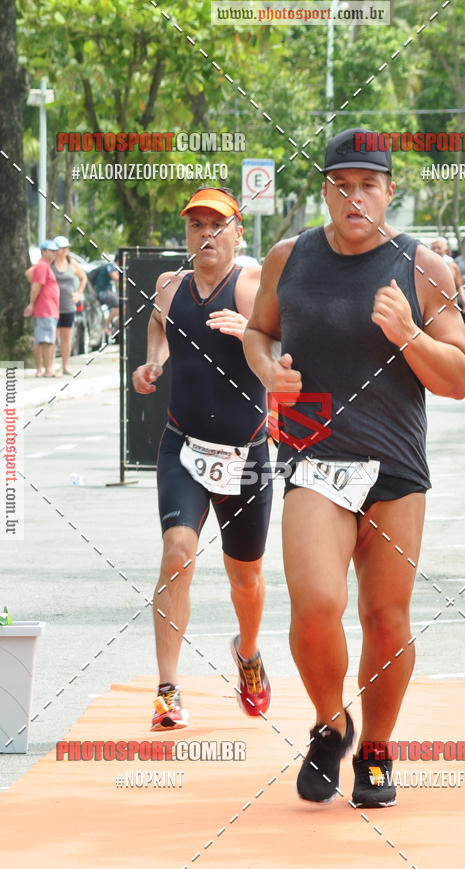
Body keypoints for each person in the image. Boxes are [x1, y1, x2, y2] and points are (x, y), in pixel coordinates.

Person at [243, 128, 465, 807]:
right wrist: (267, 372)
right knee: (316, 607)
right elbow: (260, 332)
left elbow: (459, 377)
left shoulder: (425, 267)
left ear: (389, 191)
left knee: (386, 619)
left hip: (397, 467)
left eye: (368, 183)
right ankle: (329, 722)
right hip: (316, 460)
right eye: (341, 183)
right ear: (325, 191)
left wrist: (408, 333)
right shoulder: (291, 258)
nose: (355, 196)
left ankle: (375, 749)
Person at [132, 187, 273, 731]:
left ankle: (249, 652)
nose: (206, 235)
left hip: (247, 453)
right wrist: (153, 362)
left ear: (238, 231)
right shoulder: (170, 286)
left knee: (246, 579)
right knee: (177, 552)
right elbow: (157, 328)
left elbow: (288, 354)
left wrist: (253, 334)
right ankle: (167, 689)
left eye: (217, 225)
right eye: (196, 226)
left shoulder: (253, 284)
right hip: (183, 446)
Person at [24, 239, 60, 377]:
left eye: (55, 251)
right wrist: (32, 303)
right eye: (51, 251)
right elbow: (36, 286)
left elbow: (28, 274)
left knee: (45, 339)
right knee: (46, 340)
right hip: (45, 309)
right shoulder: (43, 266)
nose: (54, 253)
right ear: (43, 251)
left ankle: (44, 369)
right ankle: (46, 369)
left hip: (49, 309)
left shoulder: (42, 266)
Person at [52, 236, 87, 375]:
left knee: (66, 338)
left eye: (66, 248)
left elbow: (83, 277)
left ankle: (65, 366)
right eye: (62, 248)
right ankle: (50, 367)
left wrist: (78, 293)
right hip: (52, 307)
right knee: (52, 338)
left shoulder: (72, 264)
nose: (64, 250)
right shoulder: (50, 264)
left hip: (68, 306)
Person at [430, 237, 465, 318]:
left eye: (439, 248)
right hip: (431, 304)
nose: (436, 250)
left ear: (446, 250)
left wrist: (464, 299)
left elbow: (459, 285)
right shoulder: (424, 265)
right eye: (433, 248)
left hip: (449, 304)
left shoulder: (453, 266)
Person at [94, 261, 120, 338]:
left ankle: (115, 323)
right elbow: (115, 277)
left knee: (123, 304)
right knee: (120, 306)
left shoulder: (116, 268)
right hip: (103, 292)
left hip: (109, 292)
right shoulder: (110, 265)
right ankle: (107, 325)